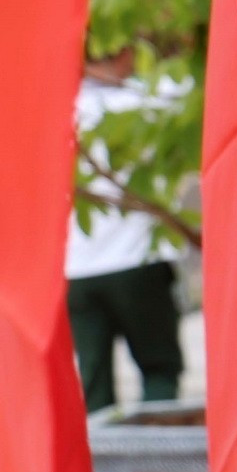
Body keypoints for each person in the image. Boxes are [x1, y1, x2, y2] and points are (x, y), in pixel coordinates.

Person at [66, 49, 187, 413]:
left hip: (77, 270)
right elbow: (186, 88)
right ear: (119, 57)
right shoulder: (143, 100)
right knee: (159, 370)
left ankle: (104, 468)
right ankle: (156, 463)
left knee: (94, 382)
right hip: (139, 262)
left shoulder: (57, 111)